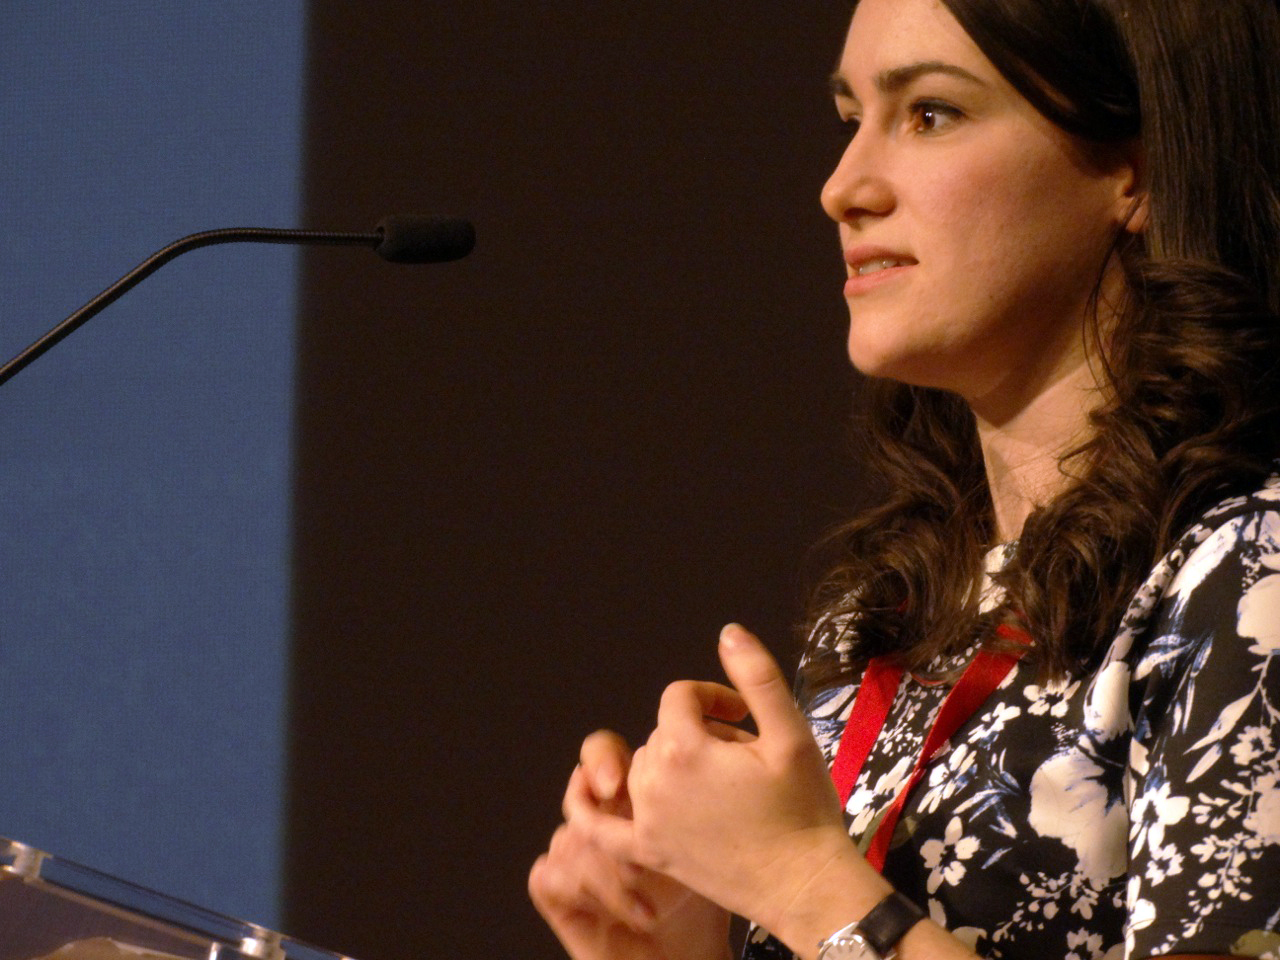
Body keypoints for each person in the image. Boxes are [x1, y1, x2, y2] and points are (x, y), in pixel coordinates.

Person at [528, 0, 1280, 957]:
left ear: (1134, 168)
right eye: (852, 120)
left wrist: (803, 881)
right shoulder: (888, 613)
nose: (842, 188)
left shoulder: (1252, 571)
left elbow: (828, 908)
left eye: (930, 114)